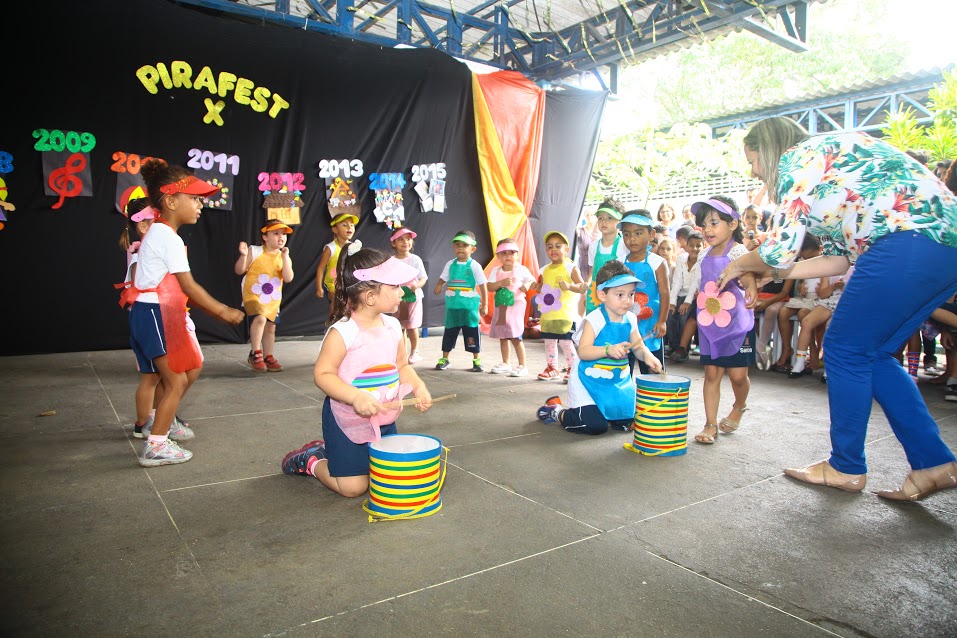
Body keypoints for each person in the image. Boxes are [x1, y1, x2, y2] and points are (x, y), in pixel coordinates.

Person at [718, 116, 957, 500]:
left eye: (753, 160)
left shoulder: (801, 157)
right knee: (871, 354)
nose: (754, 171)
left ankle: (845, 466)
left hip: (907, 240)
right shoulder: (832, 170)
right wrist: (772, 273)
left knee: (844, 348)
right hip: (941, 246)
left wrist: (739, 265)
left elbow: (778, 247)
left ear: (770, 148)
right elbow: (839, 261)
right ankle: (933, 463)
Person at [118, 158, 245, 467]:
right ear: (171, 200)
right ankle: (156, 445)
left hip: (158, 311)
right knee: (175, 381)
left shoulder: (162, 234)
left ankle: (161, 420)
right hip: (153, 313)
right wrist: (222, 312)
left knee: (190, 369)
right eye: (194, 199)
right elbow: (189, 286)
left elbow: (180, 289)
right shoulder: (165, 236)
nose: (200, 205)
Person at [281, 246, 433, 496]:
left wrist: (418, 386)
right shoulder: (343, 332)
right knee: (353, 488)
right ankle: (312, 460)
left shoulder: (394, 326)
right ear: (370, 296)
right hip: (347, 420)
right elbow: (323, 374)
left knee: (385, 477)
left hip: (384, 418)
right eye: (394, 286)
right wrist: (356, 397)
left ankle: (340, 458)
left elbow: (402, 365)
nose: (402, 291)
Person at [536, 260, 662, 434]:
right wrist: (607, 350)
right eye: (620, 295)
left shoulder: (631, 318)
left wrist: (648, 356)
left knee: (627, 422)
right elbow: (584, 351)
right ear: (602, 295)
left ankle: (611, 413)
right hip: (587, 381)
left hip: (616, 382)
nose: (627, 301)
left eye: (631, 294)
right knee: (594, 426)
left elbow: (638, 346)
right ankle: (558, 411)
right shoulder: (595, 319)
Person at [117, 198, 189, 440]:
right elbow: (141, 287)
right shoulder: (141, 257)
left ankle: (150, 421)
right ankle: (145, 424)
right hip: (149, 319)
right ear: (144, 226)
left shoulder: (147, 251)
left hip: (153, 318)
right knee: (155, 378)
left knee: (154, 377)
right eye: (156, 221)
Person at [689, 197, 757, 445]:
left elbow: (748, 276)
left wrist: (750, 287)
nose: (707, 230)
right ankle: (710, 424)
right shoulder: (703, 254)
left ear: (732, 224)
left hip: (738, 324)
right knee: (711, 374)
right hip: (710, 325)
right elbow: (702, 283)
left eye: (714, 223)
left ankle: (739, 406)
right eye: (704, 224)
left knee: (738, 376)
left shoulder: (738, 251)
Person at [234, 220, 295, 372]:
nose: (281, 237)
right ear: (265, 237)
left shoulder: (283, 256)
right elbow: (239, 270)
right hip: (254, 294)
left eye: (283, 234)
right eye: (276, 233)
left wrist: (286, 258)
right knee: (260, 318)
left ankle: (268, 355)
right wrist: (243, 256)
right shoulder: (254, 250)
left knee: (270, 327)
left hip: (272, 298)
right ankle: (256, 352)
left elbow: (288, 278)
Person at [531, 230, 586, 382]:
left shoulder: (570, 267)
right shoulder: (544, 269)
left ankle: (573, 369)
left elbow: (582, 286)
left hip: (565, 315)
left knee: (566, 343)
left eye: (558, 246)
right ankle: (552, 368)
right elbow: (543, 288)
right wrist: (537, 287)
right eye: (549, 246)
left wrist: (569, 286)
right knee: (549, 343)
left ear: (566, 250)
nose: (553, 249)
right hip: (548, 314)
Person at [620, 210, 669, 373]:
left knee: (652, 368)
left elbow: (664, 293)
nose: (632, 238)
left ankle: (653, 398)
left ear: (651, 234)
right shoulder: (620, 263)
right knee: (623, 368)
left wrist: (662, 321)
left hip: (650, 325)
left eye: (638, 233)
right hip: (626, 324)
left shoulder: (657, 262)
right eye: (626, 234)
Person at [432, 230, 488, 371]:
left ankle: (477, 360)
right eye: (457, 245)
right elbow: (443, 278)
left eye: (465, 245)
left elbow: (482, 285)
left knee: (472, 333)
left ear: (473, 249)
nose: (461, 248)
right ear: (453, 247)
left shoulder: (475, 266)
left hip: (469, 309)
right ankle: (445, 358)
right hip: (452, 308)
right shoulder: (450, 264)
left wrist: (485, 304)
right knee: (449, 332)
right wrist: (439, 285)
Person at [788, 266, 853, 379]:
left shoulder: (858, 266)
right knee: (806, 322)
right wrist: (833, 286)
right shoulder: (830, 268)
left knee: (831, 326)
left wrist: (844, 287)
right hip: (829, 301)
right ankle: (800, 363)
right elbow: (823, 294)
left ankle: (829, 368)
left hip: (848, 303)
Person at [487, 238, 535, 376]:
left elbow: (531, 280)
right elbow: (490, 286)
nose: (508, 256)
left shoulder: (521, 269)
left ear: (517, 255)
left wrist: (526, 285)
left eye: (512, 253)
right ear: (498, 256)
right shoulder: (496, 271)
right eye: (504, 253)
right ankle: (506, 363)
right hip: (501, 307)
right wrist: (500, 283)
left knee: (515, 335)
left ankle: (522, 365)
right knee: (503, 335)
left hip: (516, 308)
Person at [389, 227, 428, 364]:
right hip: (398, 298)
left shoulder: (415, 259)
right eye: (401, 239)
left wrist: (416, 285)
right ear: (393, 243)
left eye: (408, 239)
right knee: (400, 326)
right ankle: (402, 353)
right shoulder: (391, 260)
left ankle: (414, 352)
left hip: (413, 298)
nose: (405, 242)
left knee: (412, 326)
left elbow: (423, 278)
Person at [584, 198, 628, 316]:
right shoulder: (593, 246)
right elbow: (592, 271)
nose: (604, 222)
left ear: (620, 221)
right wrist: (586, 284)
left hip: (616, 295)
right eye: (600, 218)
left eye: (609, 218)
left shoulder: (624, 245)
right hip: (595, 294)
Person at [668, 230, 703, 361]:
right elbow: (676, 282)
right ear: (686, 246)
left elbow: (695, 283)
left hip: (694, 297)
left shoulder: (702, 261)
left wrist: (687, 302)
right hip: (680, 295)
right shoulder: (681, 259)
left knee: (684, 316)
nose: (695, 248)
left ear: (703, 246)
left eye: (698, 245)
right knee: (670, 315)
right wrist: (672, 302)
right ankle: (673, 346)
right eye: (691, 245)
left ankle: (684, 349)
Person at [315, 212, 358, 305]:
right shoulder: (330, 248)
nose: (349, 227)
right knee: (336, 304)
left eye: (352, 225)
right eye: (344, 225)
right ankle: (333, 319)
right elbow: (321, 268)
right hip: (333, 284)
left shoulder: (354, 247)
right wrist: (319, 287)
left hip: (349, 284)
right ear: (335, 229)